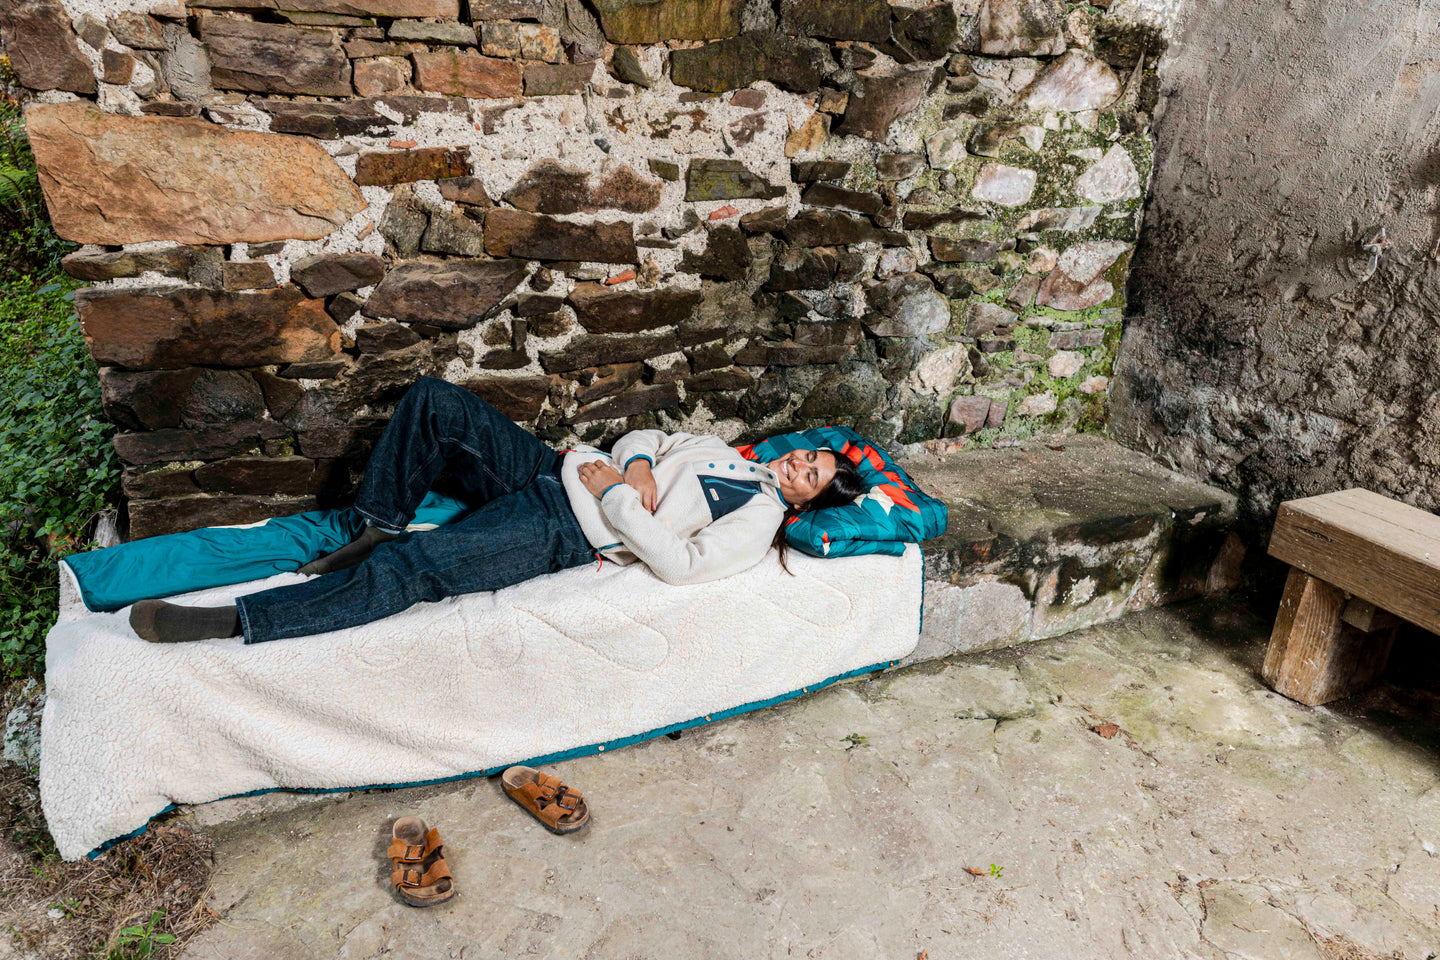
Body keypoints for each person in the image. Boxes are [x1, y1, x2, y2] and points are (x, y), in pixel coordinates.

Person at [130, 377, 869, 645]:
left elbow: (677, 565)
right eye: (806, 456)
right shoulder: (724, 450)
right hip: (551, 470)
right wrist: (637, 463)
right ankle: (375, 521)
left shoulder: (756, 522)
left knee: (417, 568)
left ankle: (245, 618)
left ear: (806, 500)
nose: (797, 466)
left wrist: (614, 491)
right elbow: (646, 434)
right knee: (434, 401)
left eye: (810, 476)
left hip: (564, 528)